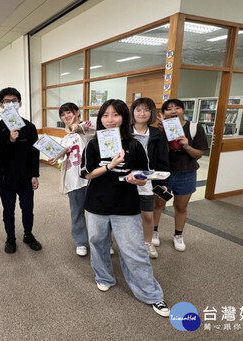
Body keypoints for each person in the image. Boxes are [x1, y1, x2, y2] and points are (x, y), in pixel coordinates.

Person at [80, 99, 169, 317]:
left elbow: (143, 173)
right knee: (98, 242)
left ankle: (152, 294)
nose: (110, 120)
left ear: (124, 117)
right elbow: (87, 173)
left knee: (134, 250)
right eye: (105, 115)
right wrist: (110, 165)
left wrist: (138, 180)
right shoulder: (93, 144)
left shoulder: (134, 145)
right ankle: (104, 277)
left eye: (116, 115)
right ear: (100, 119)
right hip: (98, 203)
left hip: (126, 204)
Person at [0, 87, 42, 254]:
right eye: (7, 101)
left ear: (20, 103)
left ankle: (28, 234)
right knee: (8, 210)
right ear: (1, 105)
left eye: (14, 101)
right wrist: (10, 140)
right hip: (6, 178)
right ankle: (10, 238)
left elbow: (34, 153)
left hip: (26, 177)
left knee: (27, 209)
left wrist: (35, 175)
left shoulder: (29, 127)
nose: (11, 104)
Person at [152, 99, 208, 252]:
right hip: (162, 175)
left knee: (181, 207)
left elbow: (198, 154)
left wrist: (187, 146)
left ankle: (178, 235)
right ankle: (154, 231)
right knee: (158, 205)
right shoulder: (159, 131)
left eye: (177, 107)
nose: (173, 111)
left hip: (186, 174)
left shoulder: (195, 128)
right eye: (168, 109)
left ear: (183, 111)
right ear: (163, 114)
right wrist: (163, 134)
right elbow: (157, 154)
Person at [48, 102, 95, 256]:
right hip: (73, 180)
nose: (66, 116)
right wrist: (57, 159)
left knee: (99, 212)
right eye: (62, 114)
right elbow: (64, 160)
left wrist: (75, 128)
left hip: (91, 177)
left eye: (68, 112)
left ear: (77, 112)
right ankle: (81, 242)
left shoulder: (86, 126)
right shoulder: (66, 138)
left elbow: (86, 129)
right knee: (76, 211)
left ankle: (101, 241)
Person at [130, 98, 170, 259]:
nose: (142, 113)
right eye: (138, 109)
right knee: (124, 214)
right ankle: (121, 243)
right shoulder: (123, 132)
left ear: (151, 113)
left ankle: (147, 242)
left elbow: (162, 160)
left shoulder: (156, 134)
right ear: (132, 112)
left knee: (147, 214)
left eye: (146, 110)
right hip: (127, 179)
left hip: (147, 181)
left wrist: (163, 183)